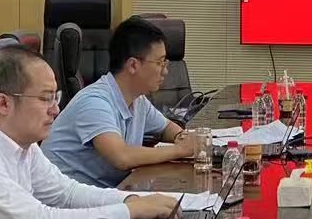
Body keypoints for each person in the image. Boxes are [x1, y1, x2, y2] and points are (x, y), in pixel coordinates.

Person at [0, 45, 180, 219]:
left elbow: (66, 194)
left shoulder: (20, 142)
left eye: (55, 97)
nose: (55, 109)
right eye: (45, 98)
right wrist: (129, 211)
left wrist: (130, 201)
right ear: (3, 103)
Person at [43, 15, 206, 187]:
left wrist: (181, 137)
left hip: (101, 192)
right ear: (133, 65)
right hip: (64, 197)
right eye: (160, 63)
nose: (165, 71)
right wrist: (180, 150)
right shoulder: (95, 102)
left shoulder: (138, 100)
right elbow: (121, 157)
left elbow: (166, 128)